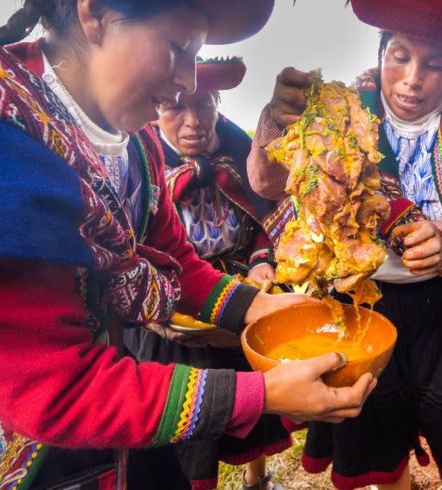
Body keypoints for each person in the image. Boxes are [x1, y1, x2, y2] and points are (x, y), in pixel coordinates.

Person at [0, 1, 376, 488]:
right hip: (10, 451)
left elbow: (174, 261)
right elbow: (59, 390)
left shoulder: (133, 147)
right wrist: (261, 394)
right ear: (94, 15)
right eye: (177, 48)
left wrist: (262, 308)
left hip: (112, 418)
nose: (188, 78)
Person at [247, 0, 442, 488]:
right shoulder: (340, 111)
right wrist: (276, 117)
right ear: (379, 56)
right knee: (378, 431)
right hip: (363, 308)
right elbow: (269, 183)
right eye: (399, 56)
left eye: (435, 65)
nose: (413, 78)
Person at [123, 57, 287, 490]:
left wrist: (262, 262)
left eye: (206, 105)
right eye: (175, 107)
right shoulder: (137, 159)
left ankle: (258, 480)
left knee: (257, 400)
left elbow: (262, 224)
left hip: (238, 293)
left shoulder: (239, 150)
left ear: (219, 103)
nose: (193, 121)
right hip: (172, 313)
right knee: (191, 426)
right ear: (156, 106)